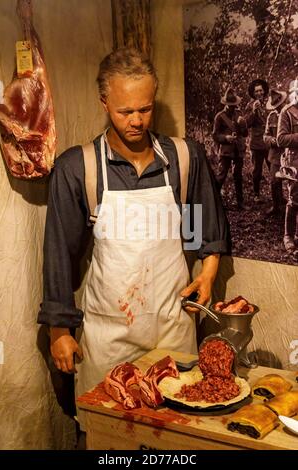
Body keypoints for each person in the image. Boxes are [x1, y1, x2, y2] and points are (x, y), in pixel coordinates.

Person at [37, 48, 228, 431]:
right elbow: (59, 250)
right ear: (104, 102)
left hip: (173, 324)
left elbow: (202, 226)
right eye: (126, 111)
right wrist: (59, 330)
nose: (137, 120)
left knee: (176, 431)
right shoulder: (80, 167)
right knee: (111, 433)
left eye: (145, 109)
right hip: (110, 334)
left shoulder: (185, 158)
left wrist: (207, 274)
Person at [212, 88, 248, 210]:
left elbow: (245, 134)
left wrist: (243, 125)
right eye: (230, 105)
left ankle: (240, 203)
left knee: (238, 176)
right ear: (226, 104)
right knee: (221, 176)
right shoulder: (219, 117)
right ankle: (213, 202)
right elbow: (215, 135)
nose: (233, 107)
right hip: (226, 151)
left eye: (234, 105)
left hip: (238, 150)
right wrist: (226, 138)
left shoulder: (239, 114)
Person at [276, 78, 298, 257]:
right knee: (295, 199)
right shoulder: (287, 112)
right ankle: (288, 236)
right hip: (294, 161)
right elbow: (281, 139)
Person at [263, 88, 288, 216]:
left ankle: (292, 207)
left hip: (289, 154)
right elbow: (265, 135)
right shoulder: (271, 117)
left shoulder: (290, 114)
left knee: (292, 181)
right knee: (274, 181)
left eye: (280, 105)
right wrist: (271, 140)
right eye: (276, 106)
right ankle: (276, 207)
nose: (278, 108)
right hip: (275, 155)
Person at [245, 78, 270, 203]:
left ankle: (277, 196)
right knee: (257, 171)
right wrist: (254, 111)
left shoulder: (269, 103)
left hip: (269, 143)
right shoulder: (250, 106)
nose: (259, 93)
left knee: (274, 169)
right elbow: (247, 124)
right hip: (257, 144)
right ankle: (256, 195)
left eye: (261, 90)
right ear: (253, 93)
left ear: (264, 91)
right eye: (256, 92)